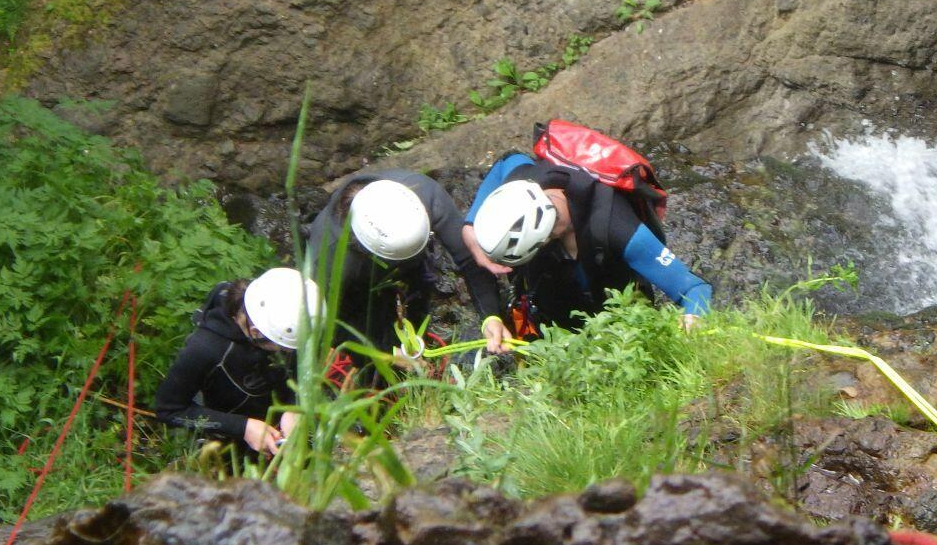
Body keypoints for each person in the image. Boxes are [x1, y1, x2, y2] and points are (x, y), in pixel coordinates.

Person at [464, 152, 712, 352]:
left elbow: (694, 288)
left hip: (618, 325)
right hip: (550, 315)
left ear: (544, 239)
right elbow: (507, 159)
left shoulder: (618, 229)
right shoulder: (522, 179)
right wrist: (470, 226)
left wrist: (693, 318)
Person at [306, 170, 503, 354]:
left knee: (419, 293)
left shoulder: (425, 195)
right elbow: (329, 324)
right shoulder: (328, 261)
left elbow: (469, 257)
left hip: (413, 259)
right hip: (358, 280)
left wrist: (491, 316)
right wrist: (385, 355)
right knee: (367, 320)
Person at [154, 267, 318, 455]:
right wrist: (243, 427)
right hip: (229, 429)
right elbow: (168, 410)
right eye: (283, 347)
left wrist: (294, 406)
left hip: (272, 408)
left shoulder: (278, 312)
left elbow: (302, 368)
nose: (288, 352)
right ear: (256, 332)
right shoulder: (204, 350)